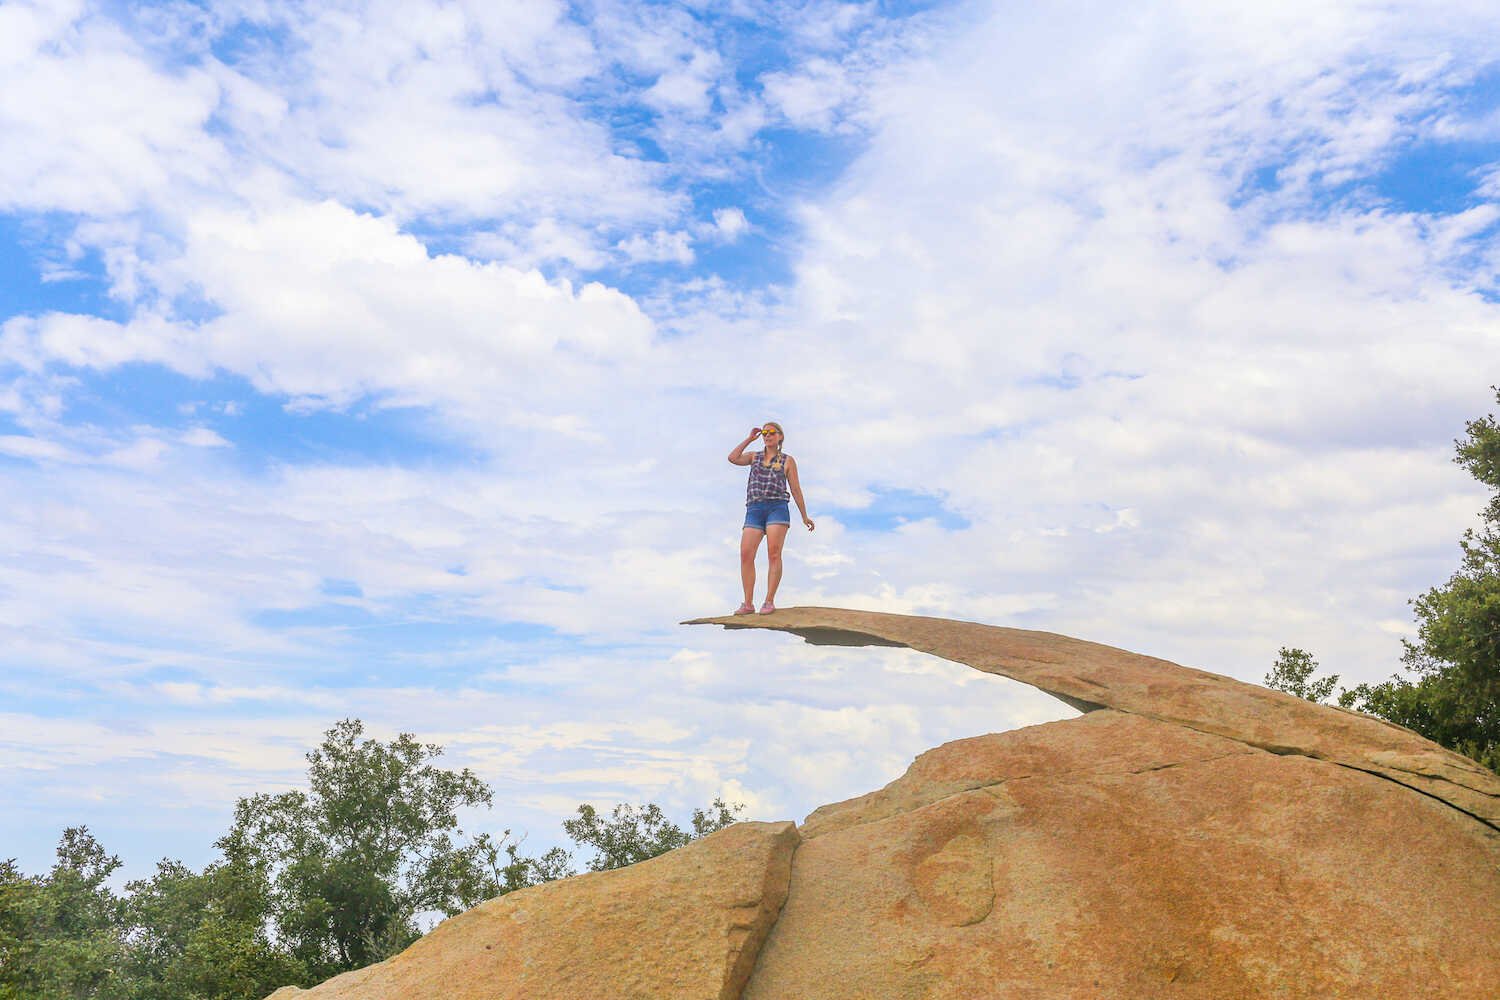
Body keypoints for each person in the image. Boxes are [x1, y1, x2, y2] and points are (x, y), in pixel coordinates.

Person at [727, 421, 814, 615]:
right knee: (746, 554)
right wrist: (750, 439)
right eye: (765, 433)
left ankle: (769, 600)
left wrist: (804, 516)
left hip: (777, 507)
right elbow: (732, 458)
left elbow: (796, 489)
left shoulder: (787, 460)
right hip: (755, 508)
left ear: (780, 437)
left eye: (772, 433)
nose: (767, 436)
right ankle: (748, 603)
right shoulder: (754, 457)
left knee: (773, 553)